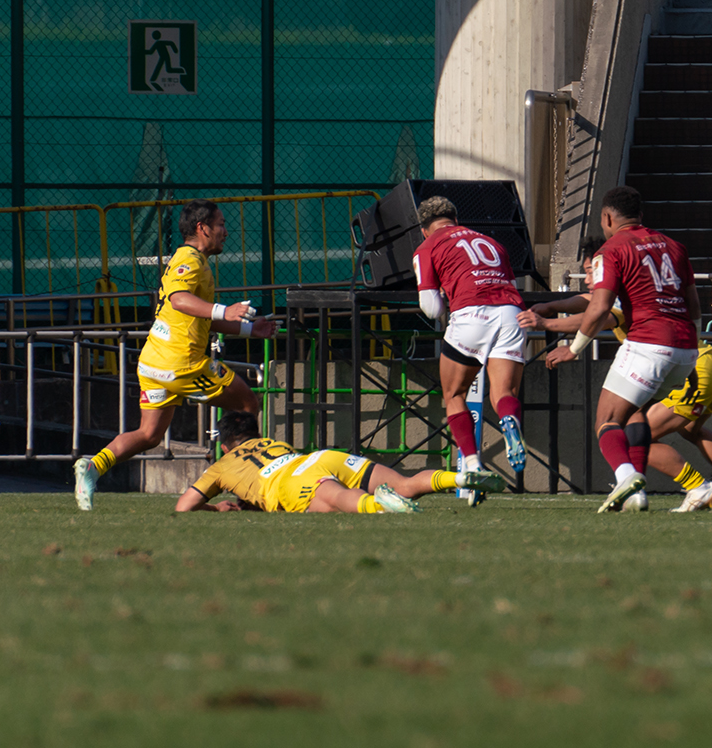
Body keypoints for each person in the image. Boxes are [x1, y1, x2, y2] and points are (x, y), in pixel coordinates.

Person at [520, 243, 712, 513]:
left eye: (589, 272)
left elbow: (602, 316)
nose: (587, 279)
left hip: (684, 364)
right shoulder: (634, 285)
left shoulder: (618, 295)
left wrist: (548, 324)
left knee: (637, 436)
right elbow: (587, 299)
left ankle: (695, 487)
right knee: (691, 430)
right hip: (708, 361)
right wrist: (551, 306)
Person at [74, 199, 277, 511]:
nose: (226, 231)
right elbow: (180, 299)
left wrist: (250, 330)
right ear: (202, 228)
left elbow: (197, 315)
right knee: (248, 403)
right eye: (221, 224)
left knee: (149, 434)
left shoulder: (193, 261)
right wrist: (227, 309)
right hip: (182, 363)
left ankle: (92, 467)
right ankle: (246, 491)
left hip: (155, 362)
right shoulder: (190, 260)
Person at [544, 186, 700, 513]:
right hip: (685, 349)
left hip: (649, 344)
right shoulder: (675, 246)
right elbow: (695, 309)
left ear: (607, 217)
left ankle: (627, 477)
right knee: (633, 413)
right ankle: (635, 492)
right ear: (640, 216)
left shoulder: (610, 250)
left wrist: (574, 349)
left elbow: (600, 307)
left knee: (606, 420)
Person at [411, 195, 529, 502]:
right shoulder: (492, 242)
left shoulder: (427, 247)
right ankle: (511, 423)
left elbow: (432, 307)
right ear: (455, 218)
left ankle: (474, 464)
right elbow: (513, 288)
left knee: (454, 395)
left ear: (424, 229)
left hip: (471, 314)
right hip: (511, 313)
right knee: (504, 393)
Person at [174, 411, 503, 514]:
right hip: (317, 456)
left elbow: (184, 507)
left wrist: (216, 508)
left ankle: (380, 506)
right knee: (404, 482)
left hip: (289, 481)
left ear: (228, 443)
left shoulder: (221, 466)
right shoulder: (273, 442)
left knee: (336, 501)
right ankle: (458, 478)